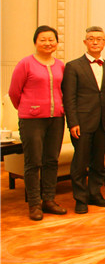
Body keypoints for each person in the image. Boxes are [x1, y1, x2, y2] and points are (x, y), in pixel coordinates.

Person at [8, 26, 67, 220]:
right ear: (35, 42)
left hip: (56, 118)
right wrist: (28, 108)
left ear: (56, 43)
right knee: (33, 162)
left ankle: (48, 200)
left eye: (51, 39)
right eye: (43, 39)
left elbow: (63, 91)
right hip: (31, 120)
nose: (48, 43)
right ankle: (34, 204)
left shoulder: (60, 65)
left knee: (51, 160)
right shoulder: (25, 64)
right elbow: (14, 92)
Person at [62, 26, 105, 214]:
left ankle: (95, 193)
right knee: (80, 162)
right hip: (82, 122)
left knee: (98, 162)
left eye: (99, 39)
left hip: (103, 121)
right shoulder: (73, 66)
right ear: (85, 42)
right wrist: (73, 122)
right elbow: (69, 98)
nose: (95, 42)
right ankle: (80, 198)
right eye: (91, 38)